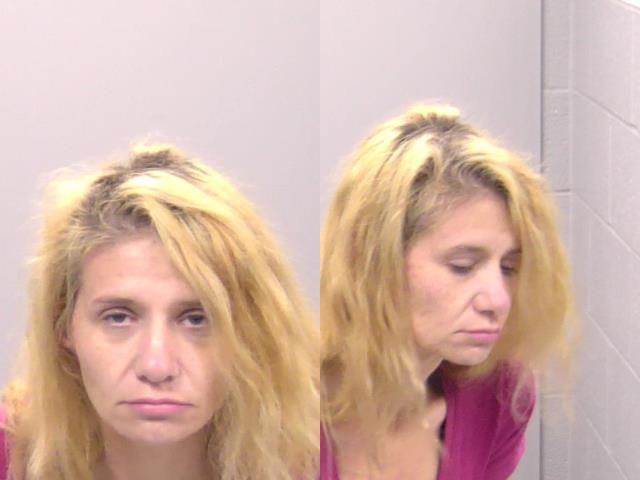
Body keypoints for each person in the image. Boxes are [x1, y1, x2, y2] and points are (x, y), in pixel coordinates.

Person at [0, 144, 319, 480]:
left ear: (251, 329)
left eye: (197, 319)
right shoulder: (10, 457)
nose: (157, 367)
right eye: (118, 317)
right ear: (63, 324)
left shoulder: (313, 463)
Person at [320, 105, 574, 479]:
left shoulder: (497, 396)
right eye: (462, 266)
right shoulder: (283, 414)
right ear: (375, 261)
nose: (498, 301)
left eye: (508, 268)